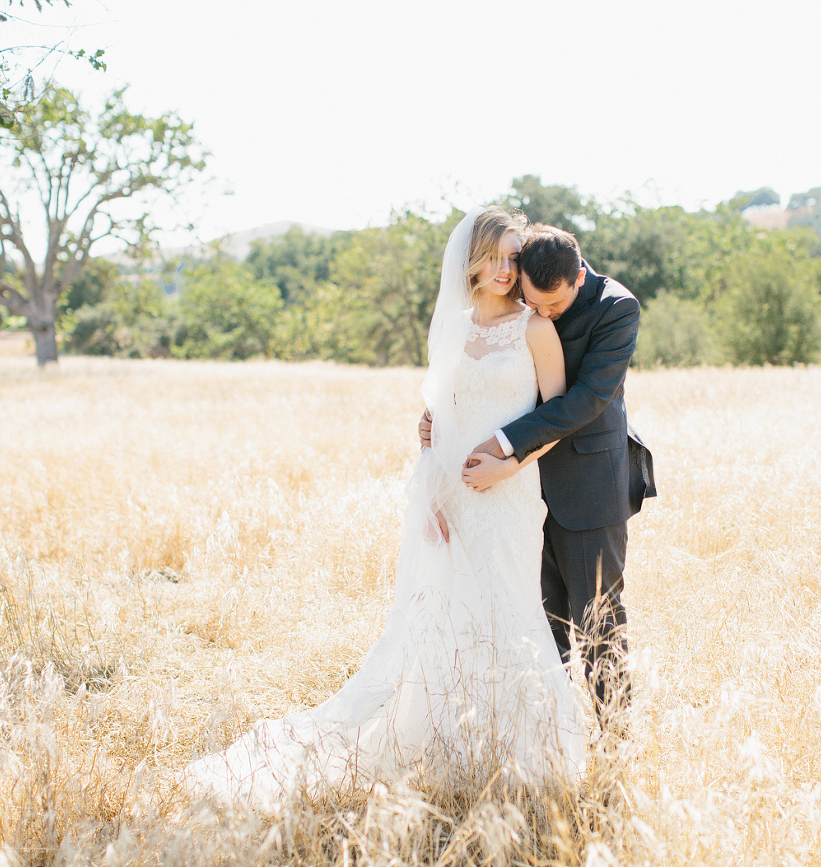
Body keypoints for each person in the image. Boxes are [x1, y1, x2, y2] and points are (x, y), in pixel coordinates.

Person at [184, 207, 584, 808]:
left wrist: (510, 464)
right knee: (445, 617)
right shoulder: (450, 326)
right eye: (493, 257)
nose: (505, 269)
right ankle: (454, 747)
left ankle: (523, 753)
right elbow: (441, 409)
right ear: (470, 261)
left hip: (509, 498)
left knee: (510, 610)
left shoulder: (534, 329)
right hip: (449, 491)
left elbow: (554, 416)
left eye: (512, 256)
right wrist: (431, 479)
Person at [428, 225, 656, 730]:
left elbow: (585, 400)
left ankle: (614, 741)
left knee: (598, 623)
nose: (543, 316)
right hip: (516, 497)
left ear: (578, 277)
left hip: (587, 485)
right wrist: (444, 418)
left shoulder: (618, 309)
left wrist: (506, 444)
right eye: (534, 304)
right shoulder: (525, 293)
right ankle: (544, 736)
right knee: (535, 622)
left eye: (553, 307)